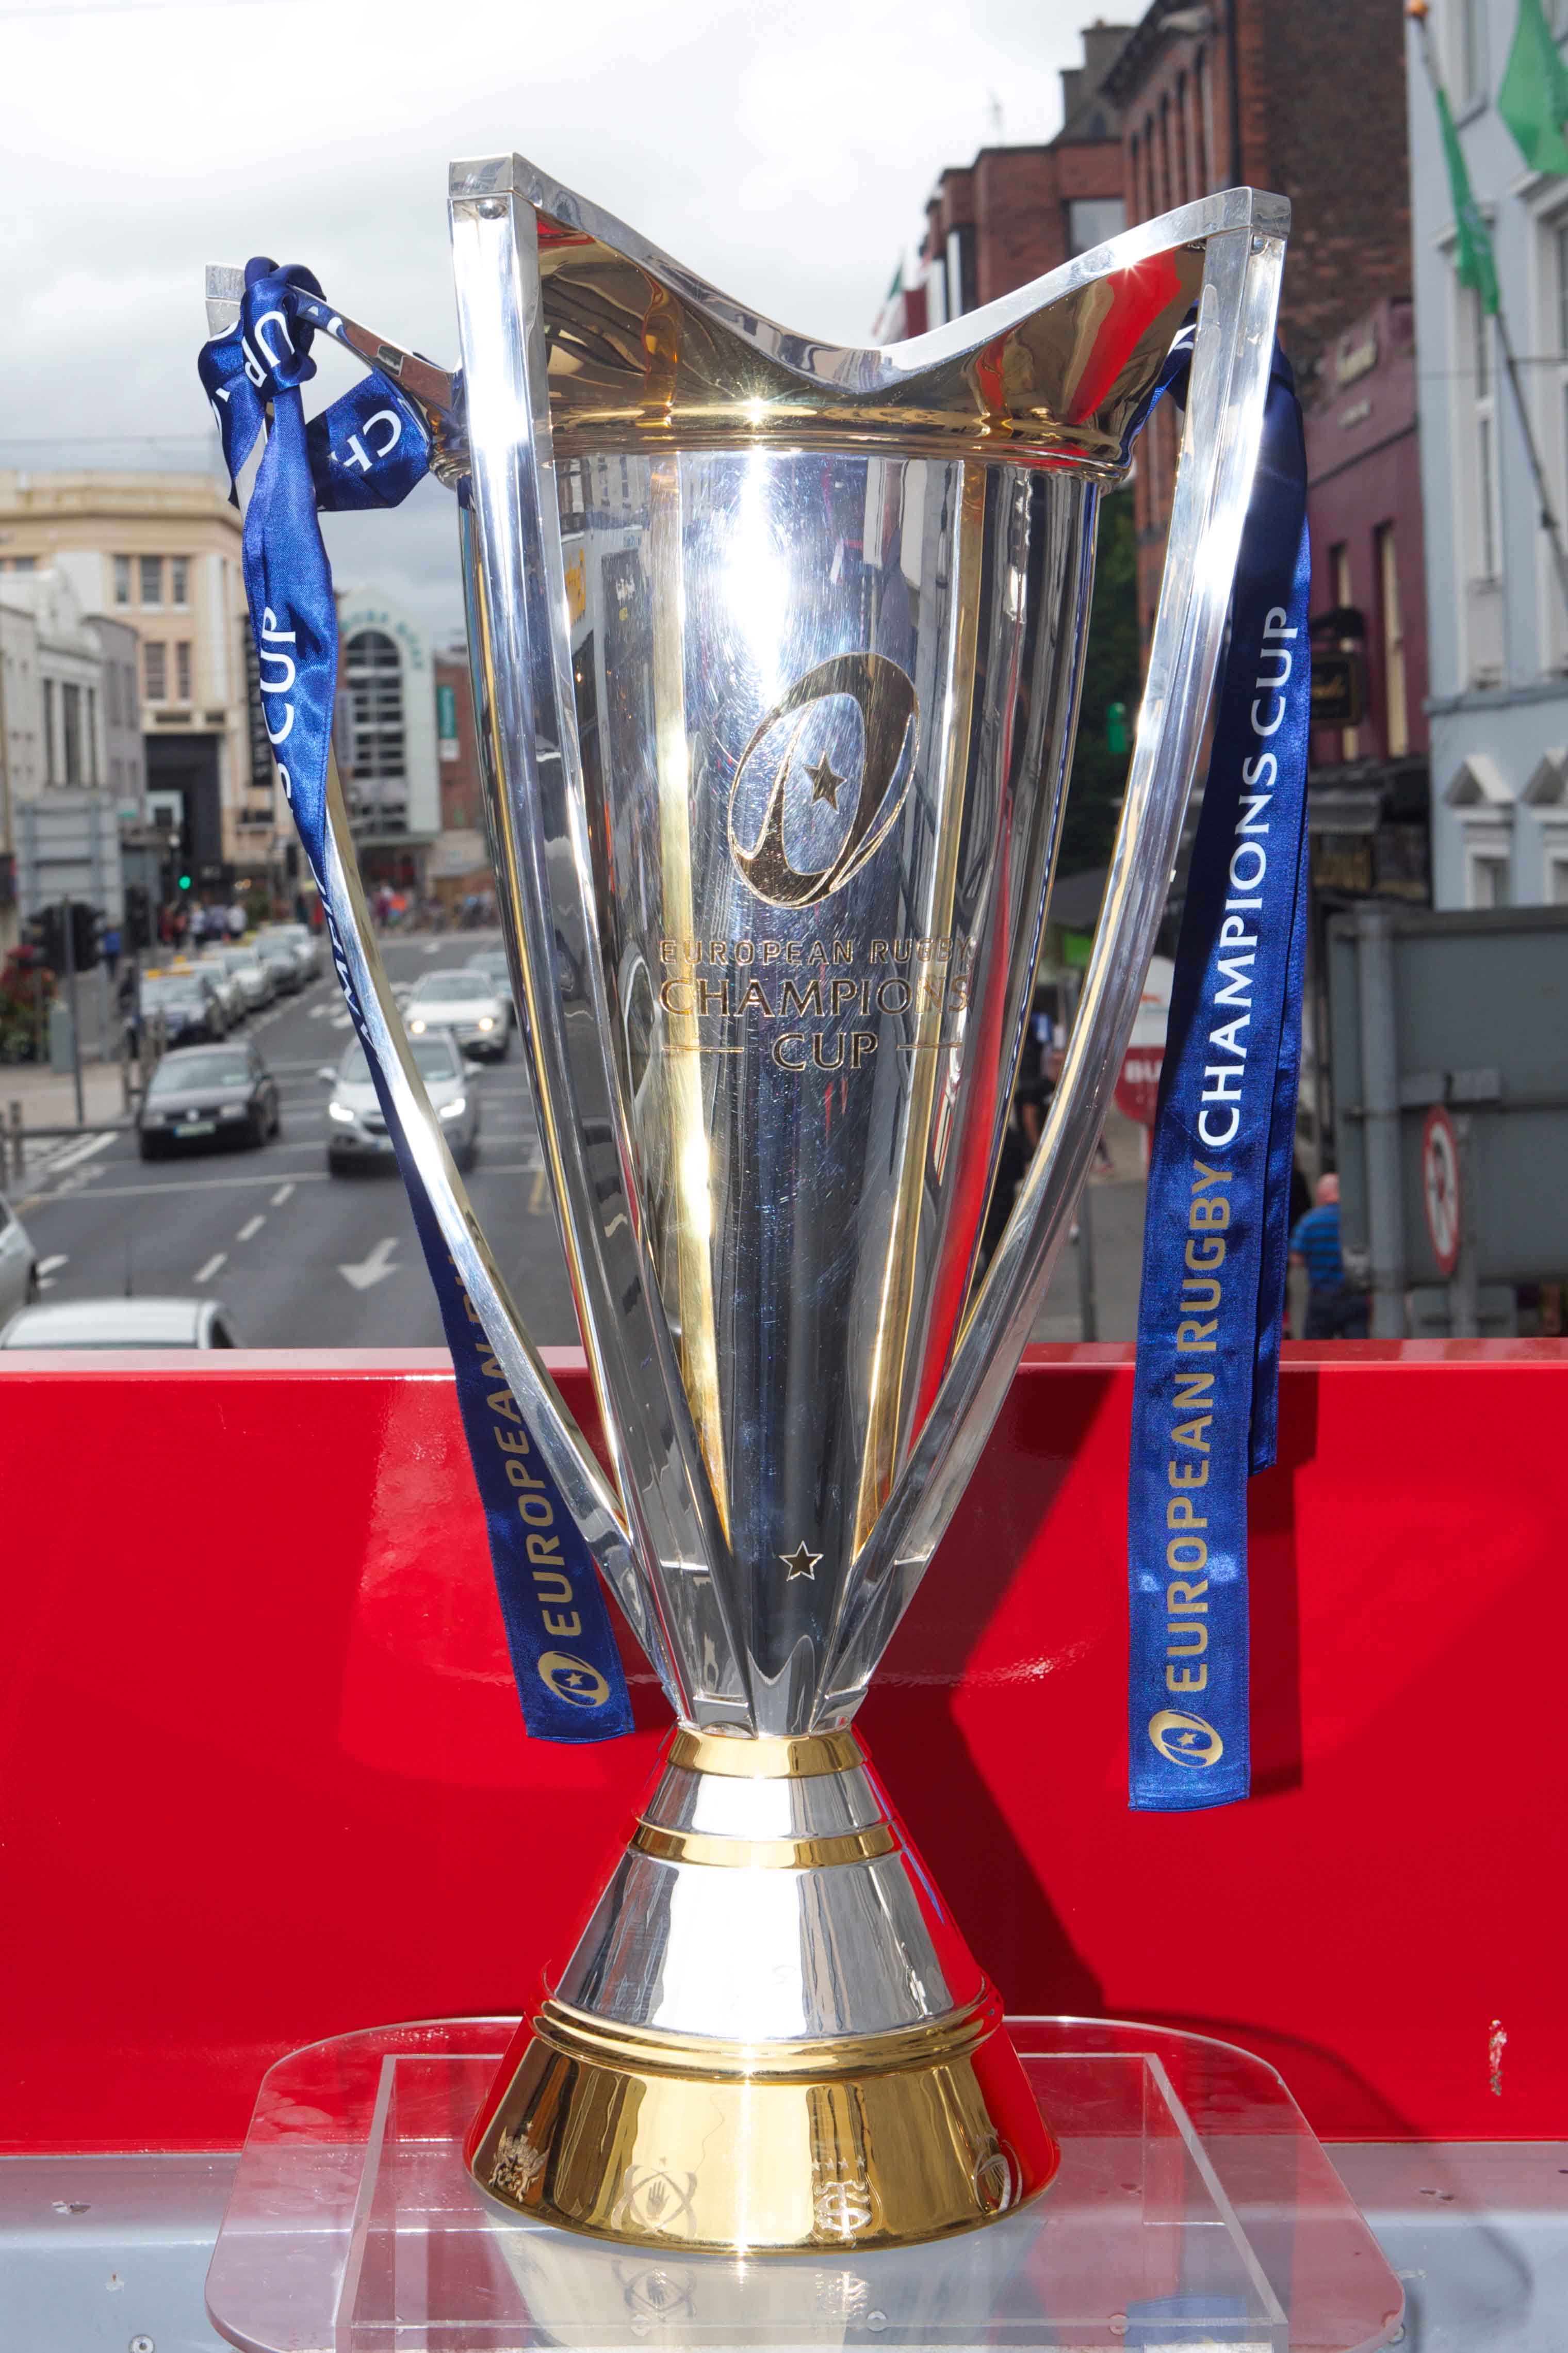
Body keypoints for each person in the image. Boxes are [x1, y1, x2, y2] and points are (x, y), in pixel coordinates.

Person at [1289, 1172, 1368, 1339]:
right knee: (1358, 1349)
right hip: (1355, 1296)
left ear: (1321, 1195)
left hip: (1322, 1297)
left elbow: (1296, 1259)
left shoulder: (1310, 1222)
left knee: (1315, 1349)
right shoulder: (1357, 1221)